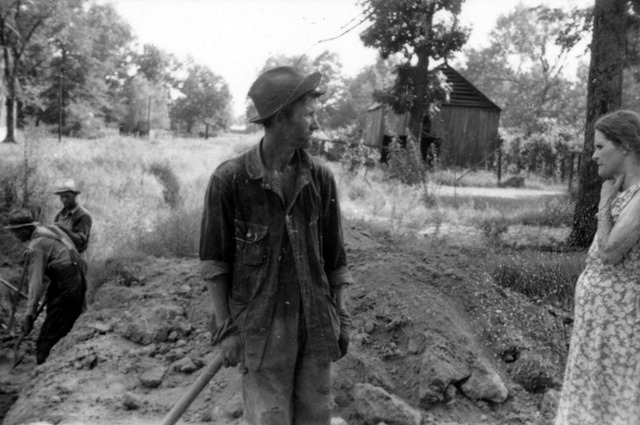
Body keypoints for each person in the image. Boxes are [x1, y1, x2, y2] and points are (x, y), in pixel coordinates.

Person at [200, 66, 353, 425]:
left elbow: (336, 261)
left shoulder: (320, 179)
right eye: (309, 115)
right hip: (261, 336)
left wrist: (342, 320)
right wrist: (226, 330)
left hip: (315, 329)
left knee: (316, 420)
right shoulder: (230, 181)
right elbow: (214, 265)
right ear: (281, 117)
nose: (315, 125)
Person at [555, 110, 640, 425]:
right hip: (600, 326)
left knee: (610, 405)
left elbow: (610, 252)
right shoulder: (625, 193)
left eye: (600, 147)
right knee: (591, 403)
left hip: (620, 329)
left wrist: (604, 205)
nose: (593, 155)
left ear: (625, 146)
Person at [5, 208, 87, 364]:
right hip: (77, 278)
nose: (15, 236)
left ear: (24, 229)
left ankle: (44, 369)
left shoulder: (37, 244)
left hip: (68, 285)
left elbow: (35, 283)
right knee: (64, 327)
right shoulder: (49, 230)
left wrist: (29, 314)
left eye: (16, 232)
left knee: (46, 341)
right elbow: (65, 258)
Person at [53, 179, 92, 257]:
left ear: (74, 196)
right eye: (62, 197)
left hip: (76, 257)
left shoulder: (83, 215)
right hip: (60, 256)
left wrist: (62, 230)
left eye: (67, 196)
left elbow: (81, 240)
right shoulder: (59, 214)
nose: (64, 200)